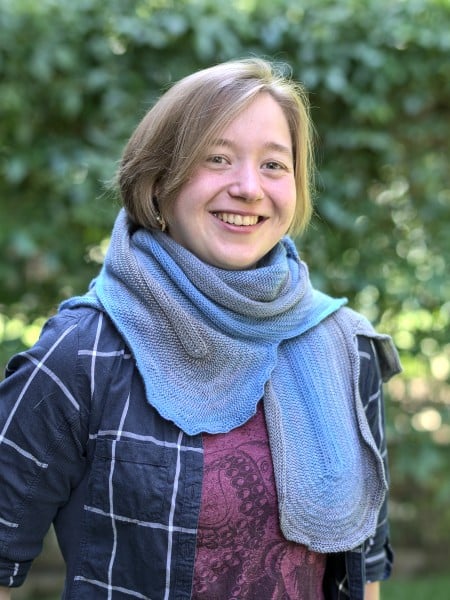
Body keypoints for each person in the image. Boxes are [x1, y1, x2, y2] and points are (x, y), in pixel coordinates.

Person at [0, 58, 401, 600]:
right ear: (158, 180)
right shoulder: (82, 354)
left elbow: (364, 564)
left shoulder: (345, 345)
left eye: (274, 165)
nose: (249, 188)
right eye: (217, 158)